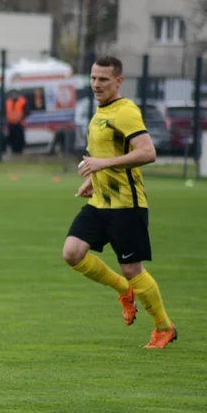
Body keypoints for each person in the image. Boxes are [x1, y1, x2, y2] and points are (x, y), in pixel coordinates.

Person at [63, 56, 175, 349]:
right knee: (72, 253)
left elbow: (148, 152)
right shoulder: (99, 112)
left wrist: (102, 164)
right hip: (101, 202)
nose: (96, 84)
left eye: (103, 79)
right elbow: (104, 156)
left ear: (118, 82)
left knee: (132, 269)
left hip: (127, 205)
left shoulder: (125, 112)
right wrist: (92, 179)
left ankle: (164, 327)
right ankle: (124, 291)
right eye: (93, 78)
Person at [5, 89, 28, 155]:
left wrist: (21, 118)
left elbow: (27, 112)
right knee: (12, 140)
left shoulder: (22, 101)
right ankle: (14, 152)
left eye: (15, 94)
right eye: (13, 94)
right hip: (11, 125)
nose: (14, 95)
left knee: (19, 141)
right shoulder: (8, 102)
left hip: (19, 124)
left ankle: (19, 152)